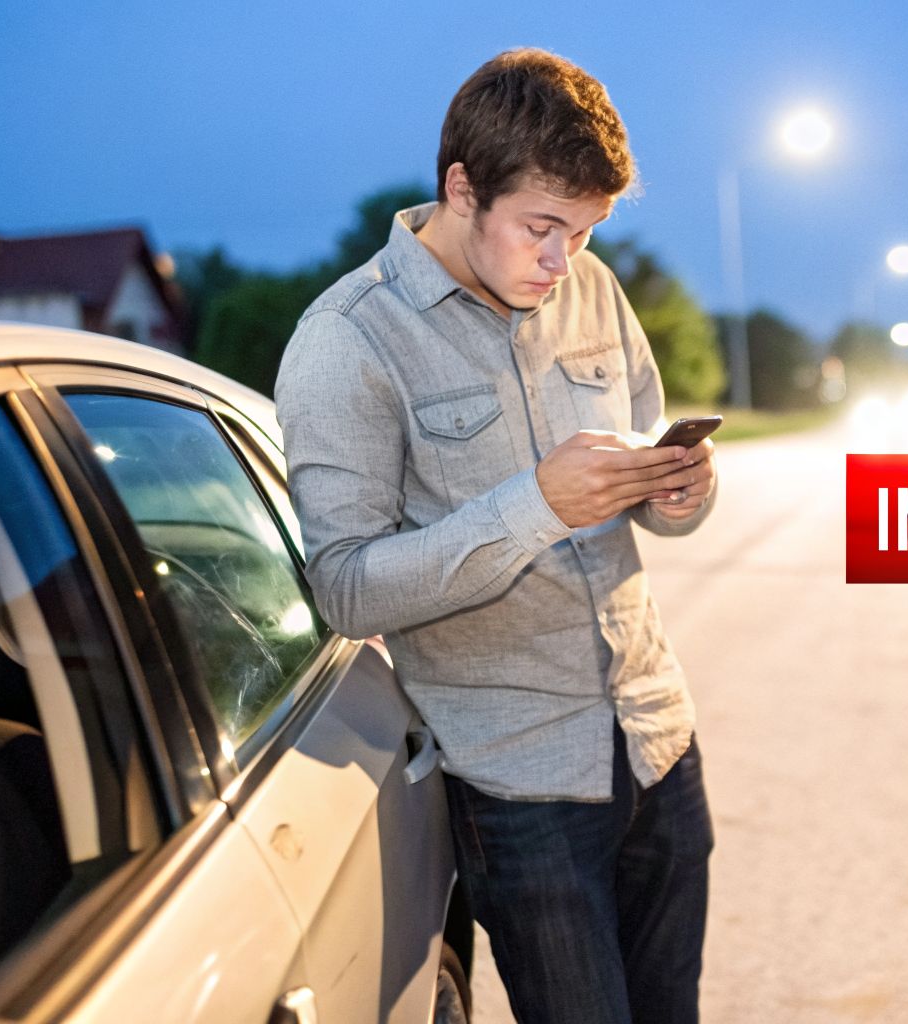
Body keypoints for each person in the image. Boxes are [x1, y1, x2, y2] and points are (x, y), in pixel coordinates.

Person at [273, 48, 717, 1024]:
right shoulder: (347, 341)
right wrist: (537, 504)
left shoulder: (591, 287)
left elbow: (645, 460)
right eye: (542, 228)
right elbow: (345, 587)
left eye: (587, 230)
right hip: (520, 786)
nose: (564, 262)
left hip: (653, 738)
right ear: (461, 188)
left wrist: (675, 491)